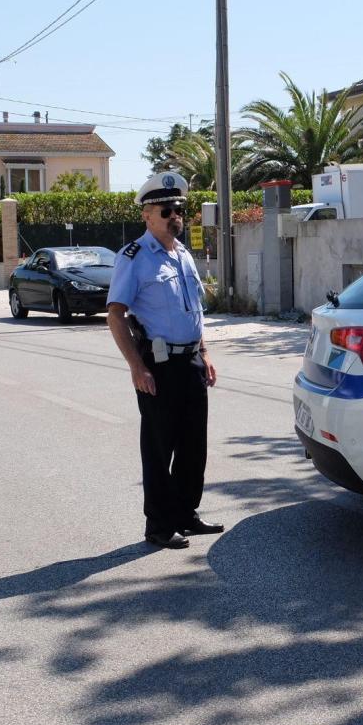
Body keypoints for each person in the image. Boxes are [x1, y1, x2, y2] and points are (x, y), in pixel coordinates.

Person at [106, 172, 222, 549]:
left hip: (190, 363)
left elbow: (195, 311)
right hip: (157, 366)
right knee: (160, 448)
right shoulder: (134, 257)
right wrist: (136, 367)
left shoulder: (183, 254)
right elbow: (116, 314)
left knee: (193, 446)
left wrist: (203, 352)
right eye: (167, 210)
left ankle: (185, 514)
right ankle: (158, 526)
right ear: (147, 215)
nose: (176, 216)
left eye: (179, 210)